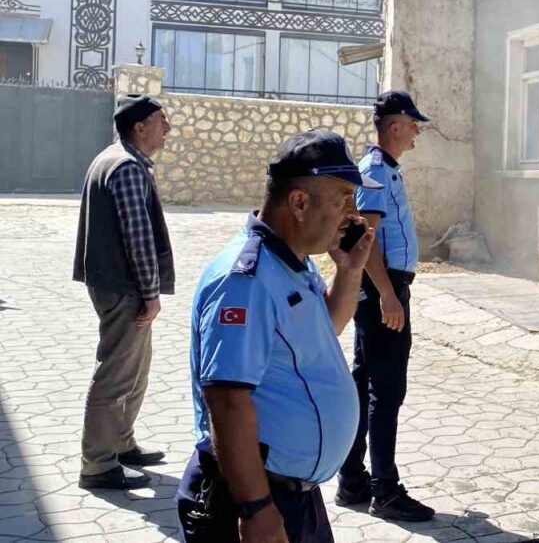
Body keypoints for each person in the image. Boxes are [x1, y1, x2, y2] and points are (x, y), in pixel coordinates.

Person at [175, 129, 377, 543]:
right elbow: (227, 400)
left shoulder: (294, 262)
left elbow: (325, 330)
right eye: (341, 199)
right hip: (255, 499)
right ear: (299, 202)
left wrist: (350, 270)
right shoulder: (245, 280)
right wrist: (257, 511)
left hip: (294, 495)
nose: (351, 213)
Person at [336, 91, 435, 522]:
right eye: (413, 125)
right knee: (386, 391)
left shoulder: (386, 169)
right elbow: (367, 239)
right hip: (383, 289)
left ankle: (353, 478)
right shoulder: (375, 169)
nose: (416, 133)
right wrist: (389, 297)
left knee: (366, 385)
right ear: (395, 125)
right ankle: (385, 490)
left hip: (382, 288)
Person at [73, 94, 173, 490]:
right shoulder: (127, 167)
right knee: (116, 374)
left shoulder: (114, 158)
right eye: (161, 121)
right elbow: (138, 238)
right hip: (124, 288)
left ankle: (120, 443)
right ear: (140, 127)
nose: (167, 129)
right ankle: (98, 464)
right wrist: (151, 293)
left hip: (114, 283)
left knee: (135, 369)